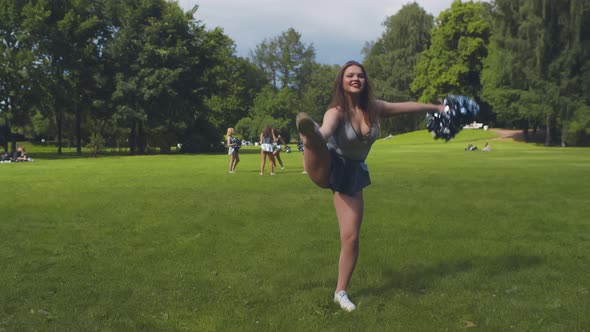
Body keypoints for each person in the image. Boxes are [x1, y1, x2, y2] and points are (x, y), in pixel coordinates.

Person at [296, 60, 445, 312]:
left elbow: (406, 106)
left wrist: (436, 107)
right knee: (318, 140)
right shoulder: (336, 111)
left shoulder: (374, 108)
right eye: (350, 75)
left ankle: (340, 292)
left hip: (352, 173)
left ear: (365, 82)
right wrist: (315, 135)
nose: (356, 79)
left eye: (360, 76)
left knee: (351, 237)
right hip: (328, 164)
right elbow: (328, 129)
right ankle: (308, 138)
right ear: (341, 82)